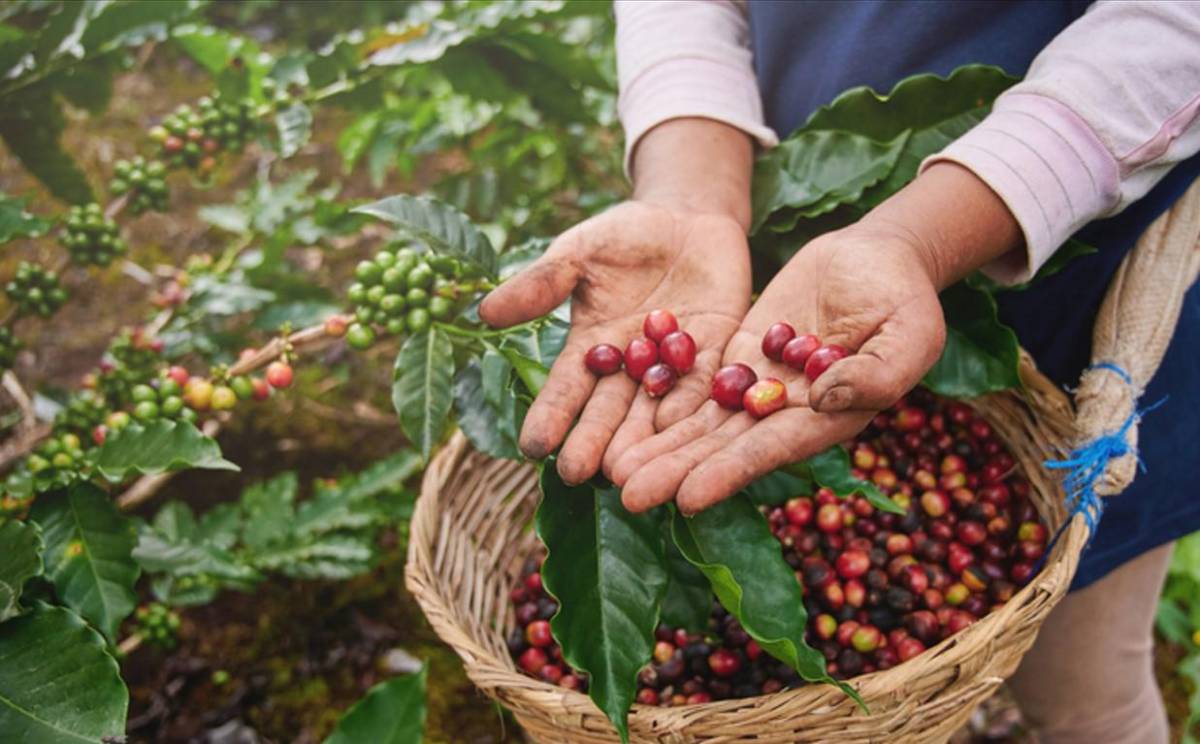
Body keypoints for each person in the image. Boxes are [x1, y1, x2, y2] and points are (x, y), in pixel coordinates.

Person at [479, 2, 1200, 741]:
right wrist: (690, 191)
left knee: (1091, 688)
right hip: (795, 238)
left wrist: (920, 237)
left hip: (1089, 239)